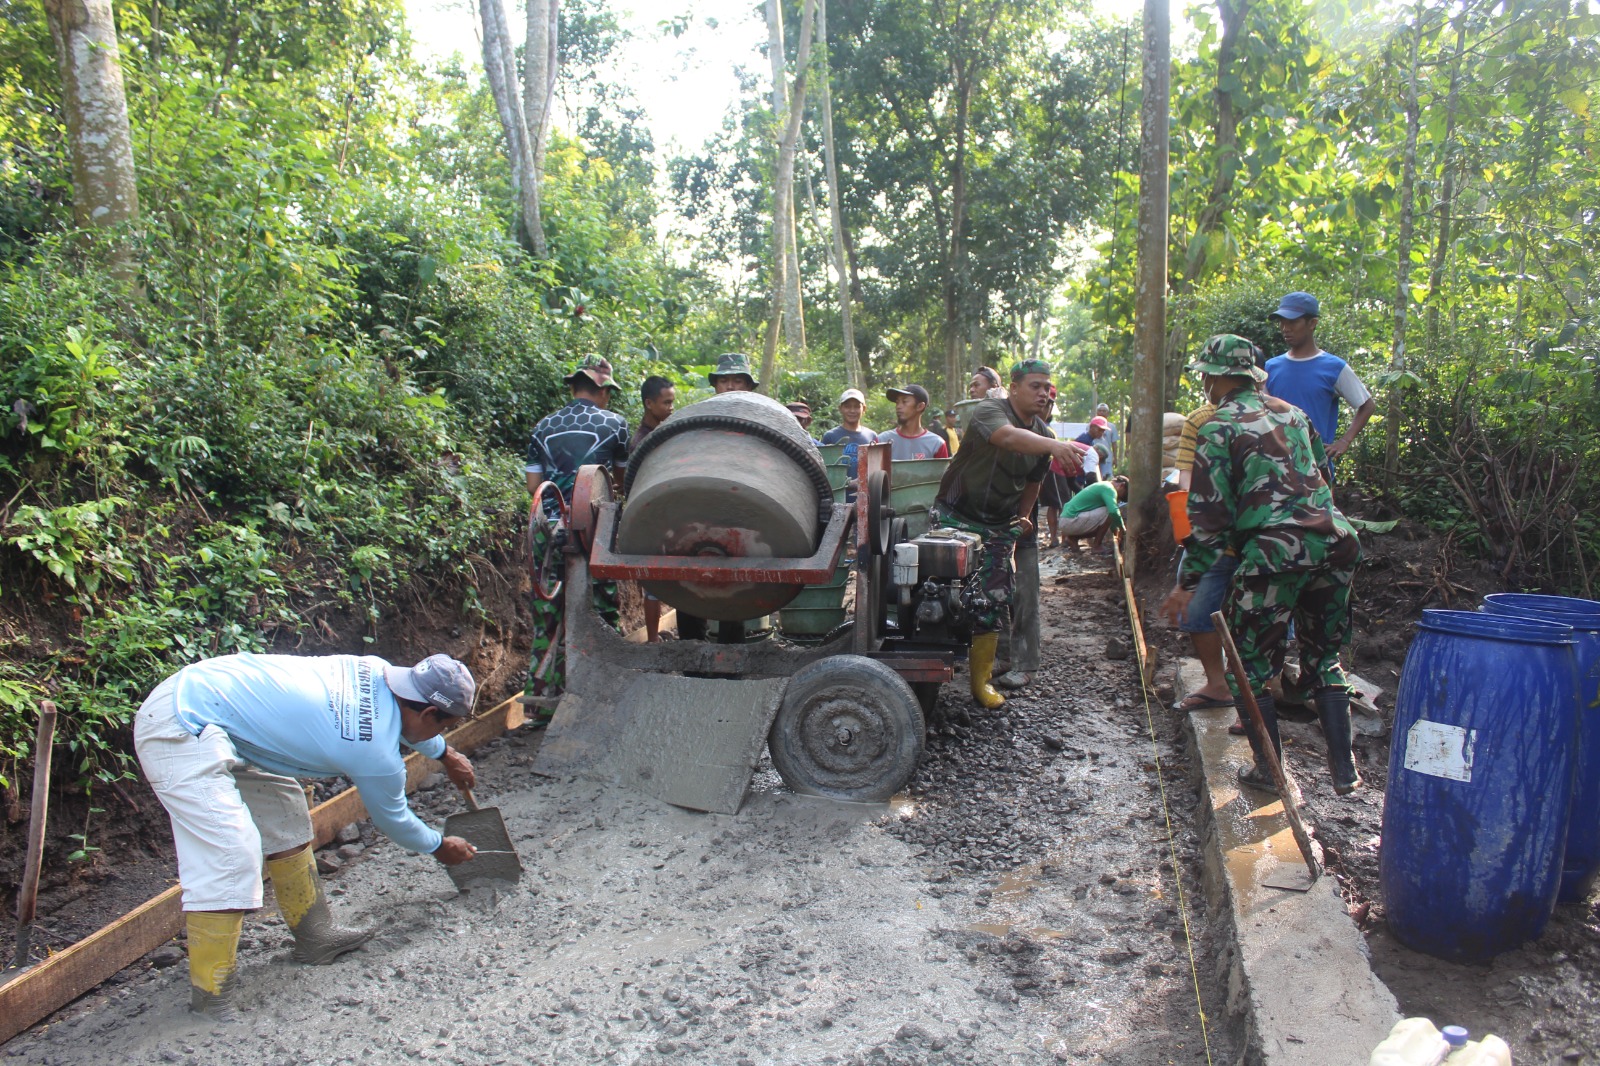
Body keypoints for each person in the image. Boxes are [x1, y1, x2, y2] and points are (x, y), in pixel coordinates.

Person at [133, 652, 480, 1018]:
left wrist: (444, 751)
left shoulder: (377, 669)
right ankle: (210, 998)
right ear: (429, 714)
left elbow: (407, 720)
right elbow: (394, 821)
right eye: (443, 728)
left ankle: (316, 937)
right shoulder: (373, 750)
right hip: (180, 725)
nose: (440, 734)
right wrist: (439, 845)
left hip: (221, 704)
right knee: (230, 853)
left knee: (286, 811)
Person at [1160, 333, 1364, 798]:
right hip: (1336, 544)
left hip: (1275, 552)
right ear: (1255, 375)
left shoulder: (1218, 426)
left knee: (1248, 668)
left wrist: (1189, 582)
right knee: (1323, 657)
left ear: (1213, 378)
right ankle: (1344, 770)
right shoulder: (1295, 414)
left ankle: (1269, 773)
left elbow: (1208, 517)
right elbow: (1323, 477)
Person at [932, 360, 1091, 708]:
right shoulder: (991, 410)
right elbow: (1005, 437)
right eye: (1035, 386)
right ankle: (932, 664)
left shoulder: (1045, 437)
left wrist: (1020, 520)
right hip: (955, 515)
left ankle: (982, 681)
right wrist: (1052, 446)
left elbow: (1033, 484)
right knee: (936, 591)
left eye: (1047, 387)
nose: (1043, 393)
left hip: (1000, 524)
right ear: (1014, 387)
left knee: (993, 597)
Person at [525, 357, 630, 695]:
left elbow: (533, 487)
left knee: (548, 617)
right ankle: (606, 688)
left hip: (548, 531)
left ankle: (543, 698)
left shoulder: (542, 427)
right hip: (594, 532)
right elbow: (618, 482)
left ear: (573, 388)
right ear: (602, 391)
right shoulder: (615, 424)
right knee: (601, 610)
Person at [1167, 390, 1243, 723]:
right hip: (1219, 536)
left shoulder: (1280, 416)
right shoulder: (1200, 419)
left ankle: (1256, 702)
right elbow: (1186, 480)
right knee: (1197, 611)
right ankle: (1218, 685)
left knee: (1261, 619)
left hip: (1262, 539)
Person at [1264, 292, 1376, 480]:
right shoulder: (1270, 367)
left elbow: (1367, 405)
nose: (1285, 328)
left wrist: (1344, 441)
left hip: (1315, 473)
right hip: (1274, 471)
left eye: (1293, 322)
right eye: (1282, 322)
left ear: (1312, 323)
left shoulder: (1334, 368)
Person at [636, 376, 676, 641]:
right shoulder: (641, 442)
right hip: (652, 517)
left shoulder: (667, 433)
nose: (671, 407)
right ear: (649, 404)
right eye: (666, 402)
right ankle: (652, 638)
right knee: (653, 583)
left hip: (672, 515)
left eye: (673, 401)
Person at [876, 385, 950, 460]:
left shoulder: (936, 444)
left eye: (904, 402)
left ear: (920, 406)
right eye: (897, 402)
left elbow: (942, 471)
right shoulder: (881, 441)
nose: (898, 406)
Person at [1057, 475, 1128, 553]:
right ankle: (1097, 546)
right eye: (1122, 496)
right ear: (1122, 485)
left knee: (1105, 519)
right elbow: (1113, 511)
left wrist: (1114, 528)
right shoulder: (1109, 489)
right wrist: (1122, 528)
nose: (1119, 499)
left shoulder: (1103, 485)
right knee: (1109, 511)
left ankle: (1073, 538)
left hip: (1066, 521)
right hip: (1070, 520)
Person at [1094, 403, 1118, 479]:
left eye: (1104, 411)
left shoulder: (1112, 427)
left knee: (1107, 478)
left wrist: (1115, 457)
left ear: (1107, 413)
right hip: (1094, 457)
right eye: (1100, 411)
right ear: (1097, 413)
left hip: (1107, 459)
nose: (1102, 413)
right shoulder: (1091, 425)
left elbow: (1114, 443)